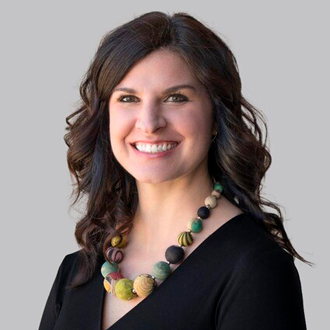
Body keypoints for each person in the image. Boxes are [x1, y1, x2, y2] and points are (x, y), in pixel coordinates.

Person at [38, 11, 309, 330]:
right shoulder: (78, 271)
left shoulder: (255, 268)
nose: (149, 123)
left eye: (176, 98)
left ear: (215, 118)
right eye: (128, 98)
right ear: (106, 118)